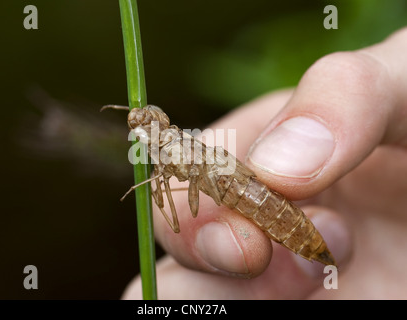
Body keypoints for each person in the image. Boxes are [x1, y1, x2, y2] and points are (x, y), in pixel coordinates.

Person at [122, 27, 407, 299]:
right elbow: (175, 200)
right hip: (246, 191)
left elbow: (175, 197)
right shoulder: (173, 147)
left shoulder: (175, 146)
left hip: (253, 195)